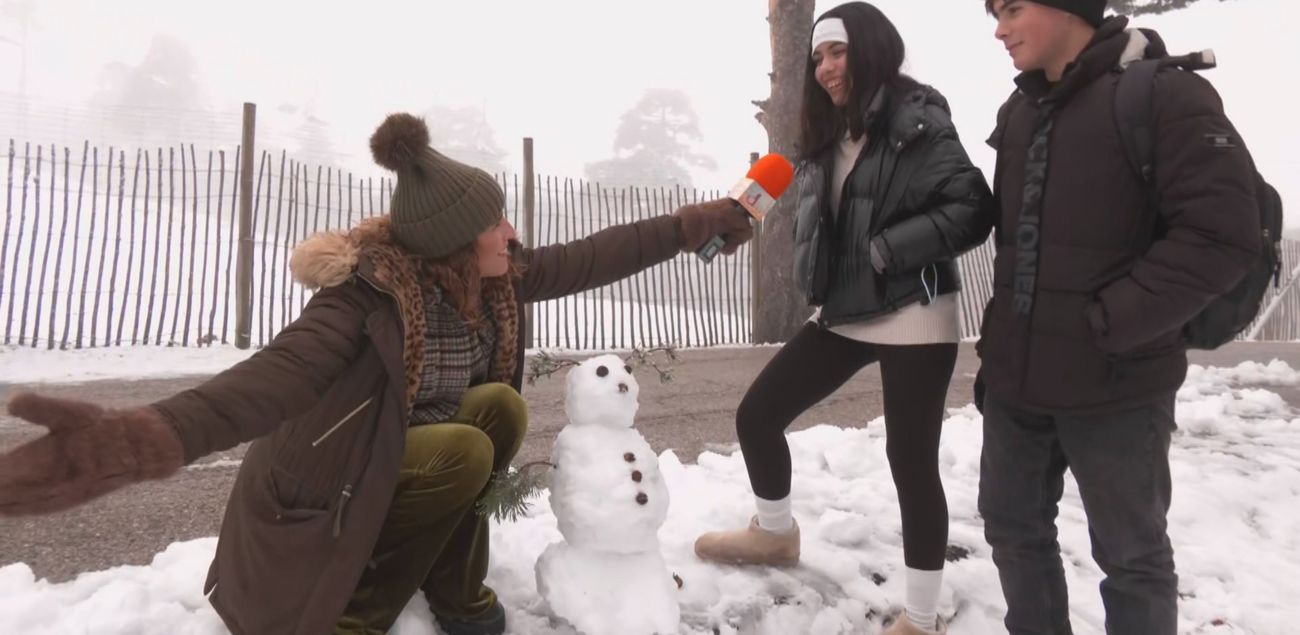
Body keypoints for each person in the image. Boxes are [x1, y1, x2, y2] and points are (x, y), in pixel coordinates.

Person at [0, 112, 754, 635]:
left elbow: (592, 255)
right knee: (465, 448)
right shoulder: (364, 299)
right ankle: (354, 613)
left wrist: (691, 226)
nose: (512, 231)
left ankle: (454, 591)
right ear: (456, 242)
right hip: (331, 498)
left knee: (496, 412)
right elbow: (270, 378)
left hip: (406, 466)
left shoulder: (493, 278)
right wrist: (136, 439)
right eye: (497, 221)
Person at [974, 0, 1261, 635]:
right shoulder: (1019, 111)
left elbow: (1223, 234)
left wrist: (1111, 324)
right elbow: (1015, 243)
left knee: (1131, 555)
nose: (1001, 30)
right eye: (996, 14)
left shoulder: (1164, 97)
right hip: (1018, 385)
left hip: (1119, 384)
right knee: (1013, 534)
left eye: (1013, 10)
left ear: (1066, 4)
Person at [693, 1, 995, 635]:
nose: (828, 68)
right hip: (849, 307)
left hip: (914, 305)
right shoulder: (827, 134)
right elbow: (800, 203)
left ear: (873, 48)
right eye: (819, 57)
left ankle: (920, 616)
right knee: (759, 414)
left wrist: (892, 248)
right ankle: (775, 534)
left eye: (839, 52)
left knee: (910, 458)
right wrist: (737, 223)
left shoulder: (917, 119)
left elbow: (972, 207)